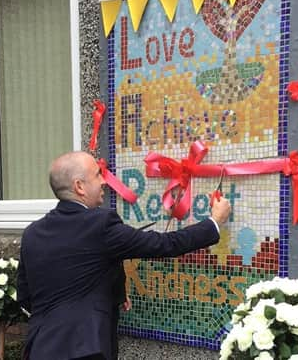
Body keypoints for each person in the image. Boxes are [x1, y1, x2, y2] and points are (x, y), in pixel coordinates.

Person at [17, 151, 231, 360]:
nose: (104, 181)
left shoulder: (32, 233)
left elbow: (27, 297)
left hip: (40, 347)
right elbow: (163, 244)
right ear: (79, 186)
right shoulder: (100, 224)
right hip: (86, 349)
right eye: (98, 174)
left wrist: (115, 292)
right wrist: (214, 222)